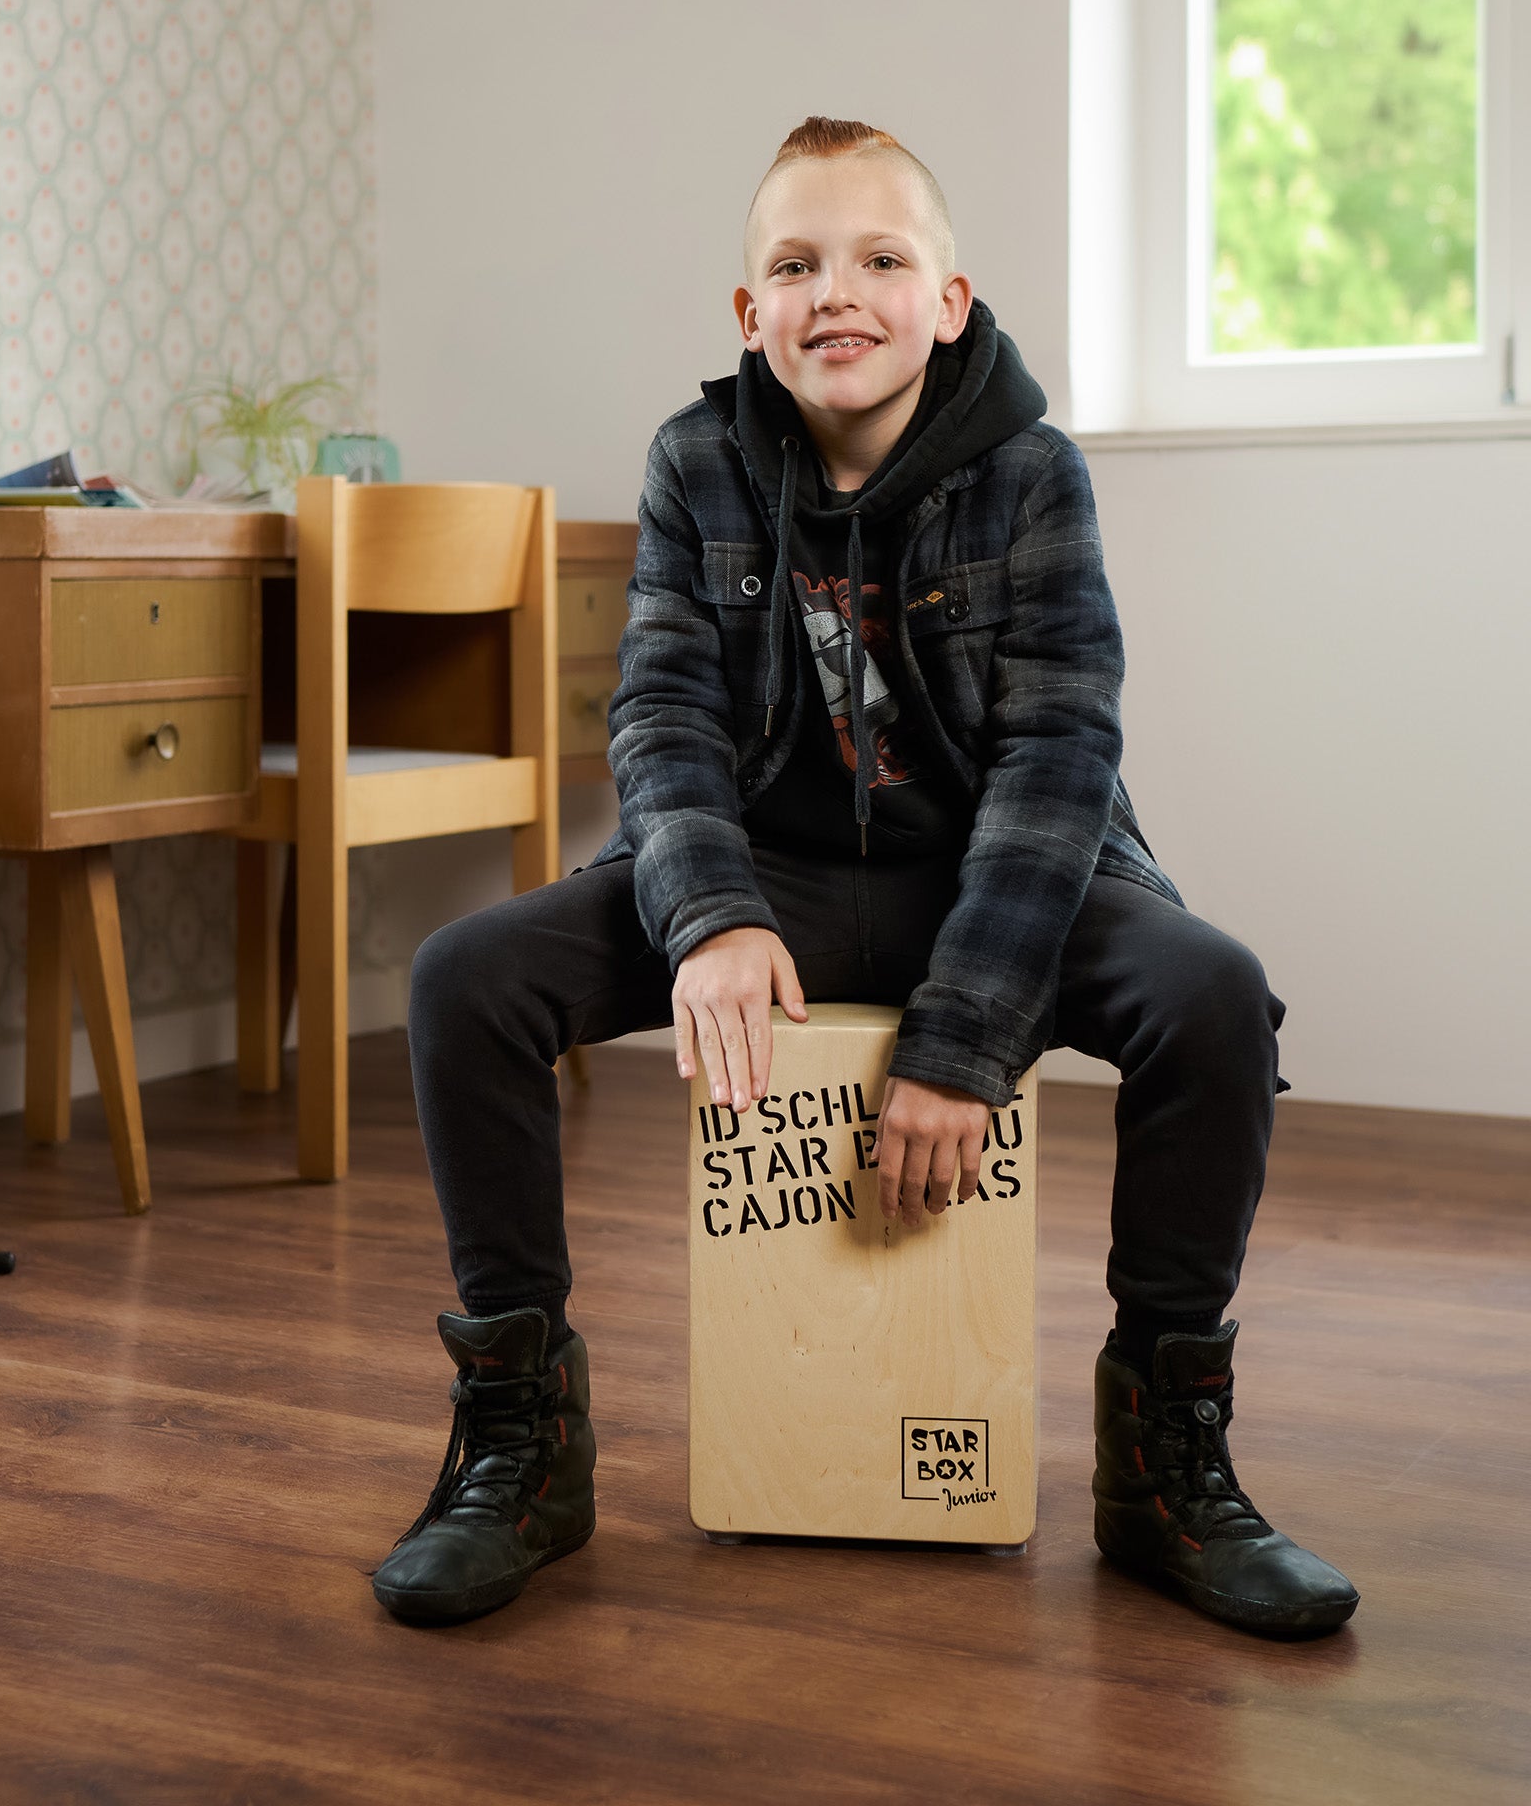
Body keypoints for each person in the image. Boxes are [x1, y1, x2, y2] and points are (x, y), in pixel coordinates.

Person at [370, 118, 1359, 1638]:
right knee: (465, 980)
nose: (840, 291)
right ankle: (521, 1440)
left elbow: (1057, 758)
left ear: (949, 300)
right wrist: (706, 918)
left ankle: (1168, 1464)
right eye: (796, 263)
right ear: (748, 315)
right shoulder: (693, 462)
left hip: (983, 878)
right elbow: (661, 710)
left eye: (883, 258)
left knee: (1215, 995)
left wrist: (964, 1037)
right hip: (758, 876)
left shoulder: (1033, 475)